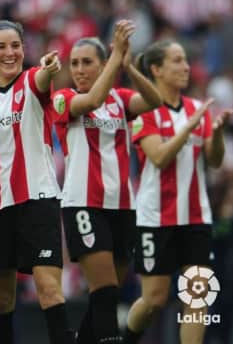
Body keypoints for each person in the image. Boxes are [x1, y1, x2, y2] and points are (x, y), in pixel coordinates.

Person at [51, 21, 161, 344]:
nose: (79, 69)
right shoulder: (63, 99)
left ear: (102, 65)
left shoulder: (121, 100)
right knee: (105, 290)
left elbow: (154, 101)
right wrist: (115, 61)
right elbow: (91, 102)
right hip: (83, 204)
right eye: (74, 63)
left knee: (107, 293)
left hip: (123, 205)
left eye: (87, 62)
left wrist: (129, 66)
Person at [124, 40, 233, 344]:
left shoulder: (198, 109)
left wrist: (218, 134)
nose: (186, 67)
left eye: (185, 60)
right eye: (177, 60)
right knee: (154, 300)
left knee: (197, 294)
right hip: (155, 217)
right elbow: (159, 157)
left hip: (196, 216)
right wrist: (187, 128)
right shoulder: (145, 111)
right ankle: (127, 338)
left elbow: (214, 160)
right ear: (156, 69)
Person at [0, 20, 69, 344]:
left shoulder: (31, 81)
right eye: (1, 47)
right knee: (1, 300)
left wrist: (49, 67)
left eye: (15, 45)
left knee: (49, 289)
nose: (10, 52)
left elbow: (44, 76)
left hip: (38, 200)